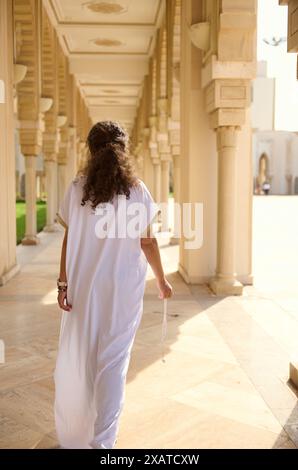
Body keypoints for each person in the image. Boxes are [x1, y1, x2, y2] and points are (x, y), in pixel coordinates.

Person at [54, 120, 173, 449]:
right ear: (124, 149)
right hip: (123, 289)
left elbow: (68, 237)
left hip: (84, 286)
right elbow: (147, 242)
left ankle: (80, 429)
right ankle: (102, 442)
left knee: (85, 356)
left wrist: (63, 282)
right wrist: (162, 281)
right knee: (113, 360)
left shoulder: (78, 187)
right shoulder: (137, 190)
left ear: (91, 151)